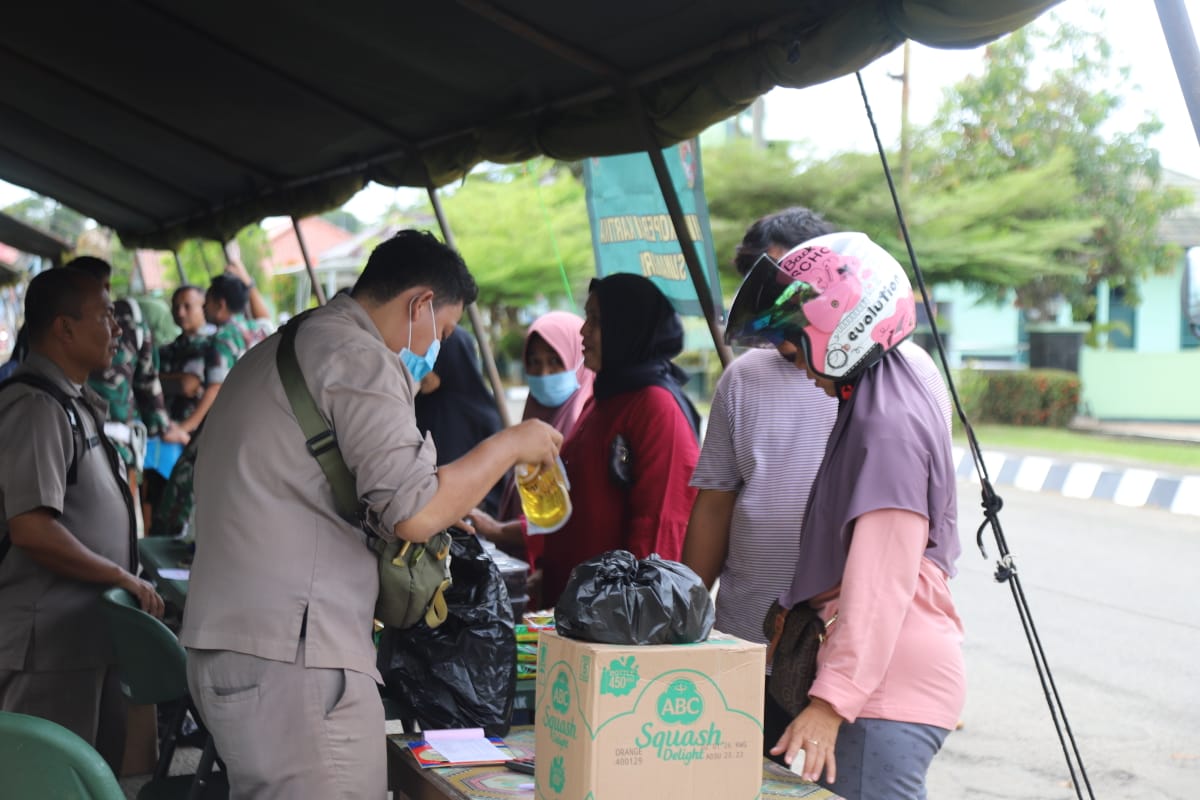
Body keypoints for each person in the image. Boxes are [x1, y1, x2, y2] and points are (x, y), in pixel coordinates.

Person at [179, 230, 561, 798]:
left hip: (232, 645)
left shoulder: (286, 346)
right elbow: (412, 510)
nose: (437, 348)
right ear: (421, 304)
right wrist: (511, 444)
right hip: (294, 659)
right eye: (446, 331)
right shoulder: (359, 357)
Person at [724, 231, 964, 799]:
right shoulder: (879, 396)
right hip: (877, 686)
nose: (787, 355)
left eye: (792, 338)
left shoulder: (888, 429)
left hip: (881, 696)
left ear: (843, 328)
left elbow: (880, 585)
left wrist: (831, 705)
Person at [681, 207, 840, 756]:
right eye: (752, 281)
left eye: (776, 280)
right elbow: (715, 505)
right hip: (744, 641)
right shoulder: (742, 377)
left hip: (831, 648)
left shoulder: (873, 372)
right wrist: (681, 612)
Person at [0, 268, 164, 772]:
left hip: (80, 641)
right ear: (63, 328)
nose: (117, 329)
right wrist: (118, 574)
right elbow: (31, 528)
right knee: (43, 780)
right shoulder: (35, 407)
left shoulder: (72, 403)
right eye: (104, 315)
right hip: (46, 647)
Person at [536, 274, 700, 610]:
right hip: (577, 602)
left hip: (615, 615)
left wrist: (629, 610)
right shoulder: (604, 398)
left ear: (628, 326)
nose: (584, 332)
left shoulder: (656, 407)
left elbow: (659, 526)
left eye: (596, 319)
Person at [467, 310, 595, 603]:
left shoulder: (581, 422)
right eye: (534, 364)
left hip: (560, 578)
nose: (543, 375)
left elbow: (566, 513)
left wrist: (497, 530)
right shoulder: (535, 414)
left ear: (578, 359)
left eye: (555, 362)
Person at [68, 256, 188, 501]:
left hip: (67, 444)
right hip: (118, 444)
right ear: (107, 287)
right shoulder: (130, 318)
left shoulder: (52, 323)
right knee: (121, 522)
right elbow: (147, 382)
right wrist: (163, 427)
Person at [414, 326, 505, 513]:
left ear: (451, 359)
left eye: (428, 359)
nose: (419, 368)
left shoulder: (480, 416)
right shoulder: (418, 405)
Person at [176, 271, 270, 436]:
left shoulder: (222, 338)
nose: (204, 308)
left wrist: (184, 428)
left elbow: (215, 388)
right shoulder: (262, 329)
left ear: (220, 305)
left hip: (240, 423)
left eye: (207, 302)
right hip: (267, 414)